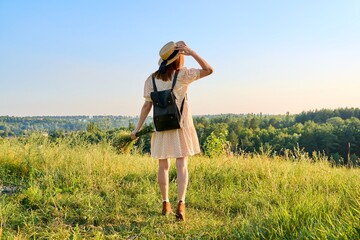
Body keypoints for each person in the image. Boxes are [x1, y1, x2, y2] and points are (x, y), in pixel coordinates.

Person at [131, 41, 213, 221]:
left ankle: (165, 203)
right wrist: (192, 52)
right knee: (182, 165)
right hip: (181, 125)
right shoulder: (183, 75)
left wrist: (136, 130)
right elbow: (209, 70)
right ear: (179, 59)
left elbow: (146, 106)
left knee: (163, 166)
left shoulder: (151, 79)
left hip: (161, 128)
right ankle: (181, 204)